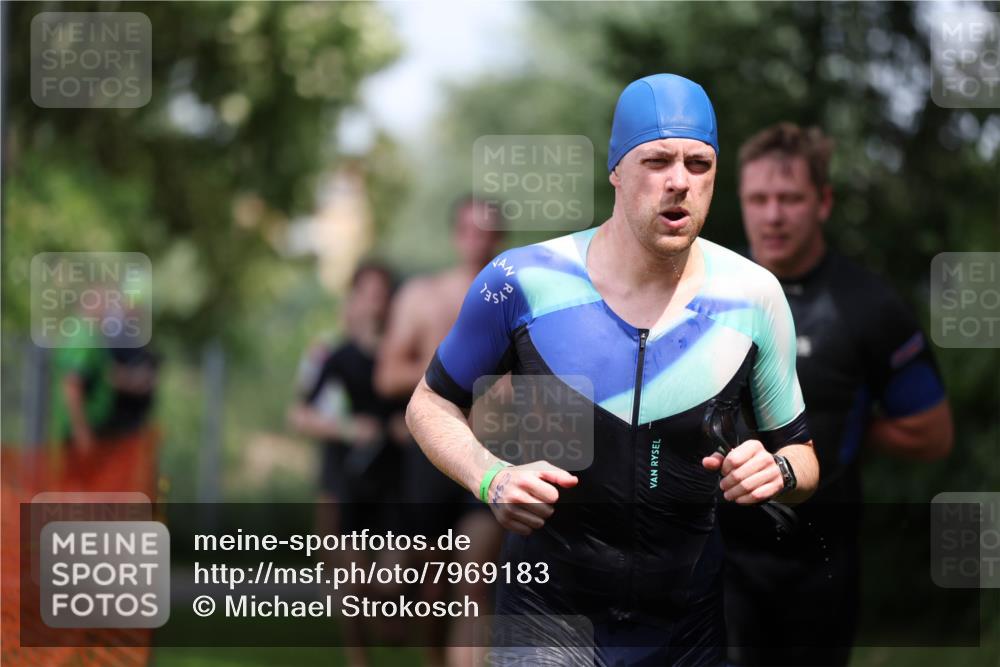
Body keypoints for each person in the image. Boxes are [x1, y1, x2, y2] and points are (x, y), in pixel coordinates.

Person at [404, 74, 820, 666]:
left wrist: (777, 469)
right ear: (616, 172)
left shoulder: (754, 297)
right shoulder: (520, 282)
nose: (679, 181)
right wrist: (490, 477)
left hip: (687, 630)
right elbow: (429, 404)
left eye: (699, 164)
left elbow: (804, 459)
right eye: (657, 160)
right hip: (549, 617)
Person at [720, 122, 953, 666]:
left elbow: (934, 433)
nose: (772, 215)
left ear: (822, 202)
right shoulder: (703, 290)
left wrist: (845, 426)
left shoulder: (868, 306)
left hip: (820, 565)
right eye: (758, 198)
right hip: (718, 559)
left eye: (790, 198)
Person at [374, 196, 506, 667]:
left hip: (489, 456)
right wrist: (447, 381)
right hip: (428, 455)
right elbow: (387, 374)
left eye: (486, 230)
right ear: (456, 234)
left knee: (473, 586)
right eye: (468, 229)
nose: (477, 238)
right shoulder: (421, 296)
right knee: (431, 591)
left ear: (501, 238)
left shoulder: (521, 301)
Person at [288, 261, 407, 667]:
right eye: (369, 292)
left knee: (388, 586)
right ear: (355, 299)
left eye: (382, 293)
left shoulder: (404, 356)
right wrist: (348, 427)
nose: (376, 302)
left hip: (395, 484)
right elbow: (300, 415)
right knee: (351, 585)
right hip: (346, 482)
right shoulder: (332, 356)